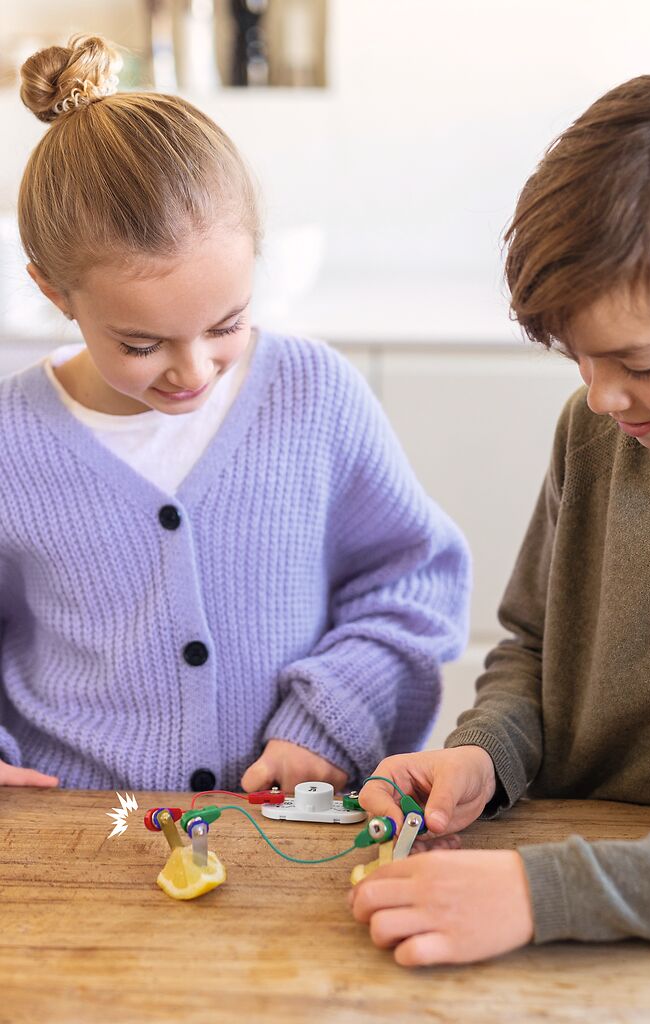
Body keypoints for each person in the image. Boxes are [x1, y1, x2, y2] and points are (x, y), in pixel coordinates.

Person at [0, 35, 471, 794]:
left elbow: (411, 583)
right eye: (143, 343)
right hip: (72, 840)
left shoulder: (314, 395)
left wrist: (326, 723)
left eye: (226, 324)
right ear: (56, 293)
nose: (193, 371)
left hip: (282, 830)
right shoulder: (11, 440)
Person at [350, 63, 650, 966]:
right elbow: (532, 649)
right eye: (577, 359)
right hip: (549, 883)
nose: (599, 398)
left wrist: (537, 892)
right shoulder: (595, 432)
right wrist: (485, 756)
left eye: (635, 363)